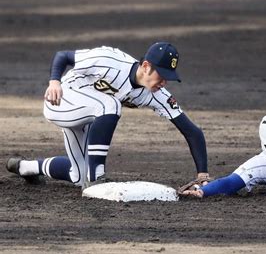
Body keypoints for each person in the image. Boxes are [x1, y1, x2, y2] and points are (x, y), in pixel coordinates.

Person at [6, 42, 211, 189]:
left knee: (78, 176)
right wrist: (54, 82)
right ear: (146, 66)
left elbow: (192, 131)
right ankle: (98, 176)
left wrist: (203, 174)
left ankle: (25, 167)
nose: (164, 82)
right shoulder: (109, 59)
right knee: (110, 104)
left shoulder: (156, 95)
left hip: (88, 114)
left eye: (169, 78)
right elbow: (64, 56)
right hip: (61, 100)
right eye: (162, 75)